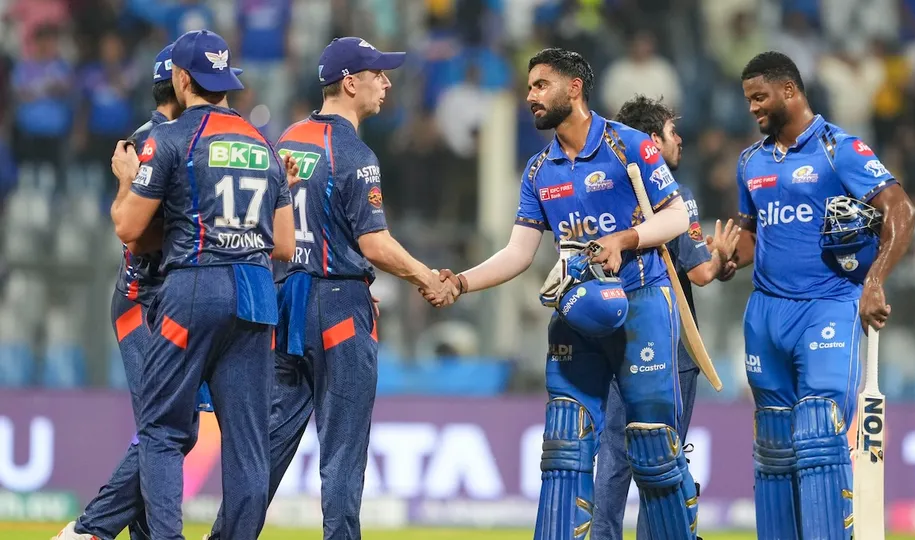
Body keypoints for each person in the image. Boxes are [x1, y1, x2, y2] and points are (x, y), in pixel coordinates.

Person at [430, 48, 699, 539]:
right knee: (563, 447)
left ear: (573, 88)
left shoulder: (630, 146)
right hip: (576, 311)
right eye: (529, 87)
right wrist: (463, 282)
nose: (530, 95)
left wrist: (625, 239)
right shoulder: (538, 170)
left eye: (540, 85)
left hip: (642, 305)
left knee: (654, 448)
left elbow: (679, 216)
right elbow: (518, 252)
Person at [203, 36, 453, 540]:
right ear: (349, 81)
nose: (385, 82)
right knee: (342, 452)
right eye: (377, 73)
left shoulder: (289, 137)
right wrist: (427, 277)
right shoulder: (355, 152)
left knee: (264, 450)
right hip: (338, 310)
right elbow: (375, 243)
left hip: (285, 301)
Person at [109, 29, 296, 540]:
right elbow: (283, 243)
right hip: (257, 293)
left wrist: (127, 179)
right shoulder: (265, 143)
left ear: (182, 77)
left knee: (164, 430)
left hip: (192, 287)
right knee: (249, 445)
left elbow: (129, 228)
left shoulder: (171, 139)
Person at [734, 51, 915, 539]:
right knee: (773, 445)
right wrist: (730, 255)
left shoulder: (841, 149)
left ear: (789, 90)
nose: (752, 108)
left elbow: (902, 211)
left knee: (818, 432)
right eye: (748, 99)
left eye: (759, 97)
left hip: (829, 305)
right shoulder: (750, 162)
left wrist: (874, 280)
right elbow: (756, 235)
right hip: (765, 313)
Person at [51, 43, 227, 540]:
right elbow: (136, 231)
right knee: (172, 425)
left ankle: (110, 531)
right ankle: (90, 530)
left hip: (163, 301)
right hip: (143, 303)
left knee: (168, 429)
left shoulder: (157, 139)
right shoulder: (160, 141)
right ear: (180, 84)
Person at [591, 95, 740, 540]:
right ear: (652, 142)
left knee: (615, 456)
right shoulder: (677, 197)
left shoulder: (603, 189)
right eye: (673, 133)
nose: (681, 141)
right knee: (661, 457)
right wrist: (722, 260)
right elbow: (699, 272)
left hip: (615, 335)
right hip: (671, 348)